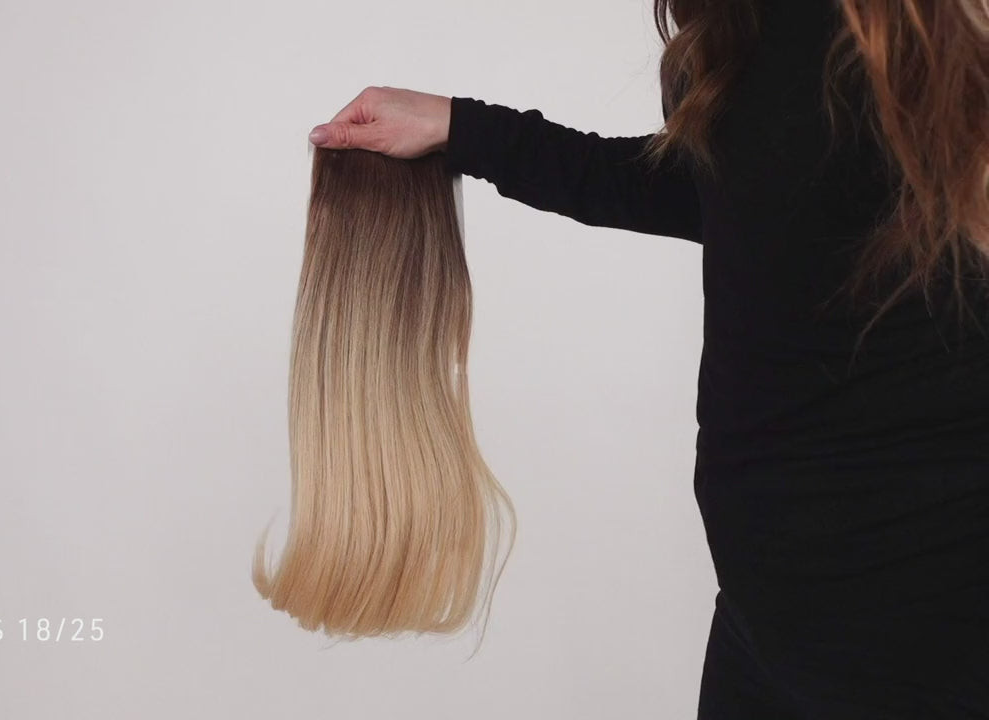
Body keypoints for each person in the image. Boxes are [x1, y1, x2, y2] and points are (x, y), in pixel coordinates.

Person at [306, 1, 989, 718]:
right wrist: (465, 129)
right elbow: (728, 193)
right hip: (765, 618)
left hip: (922, 629)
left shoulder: (925, 34)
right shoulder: (758, 26)